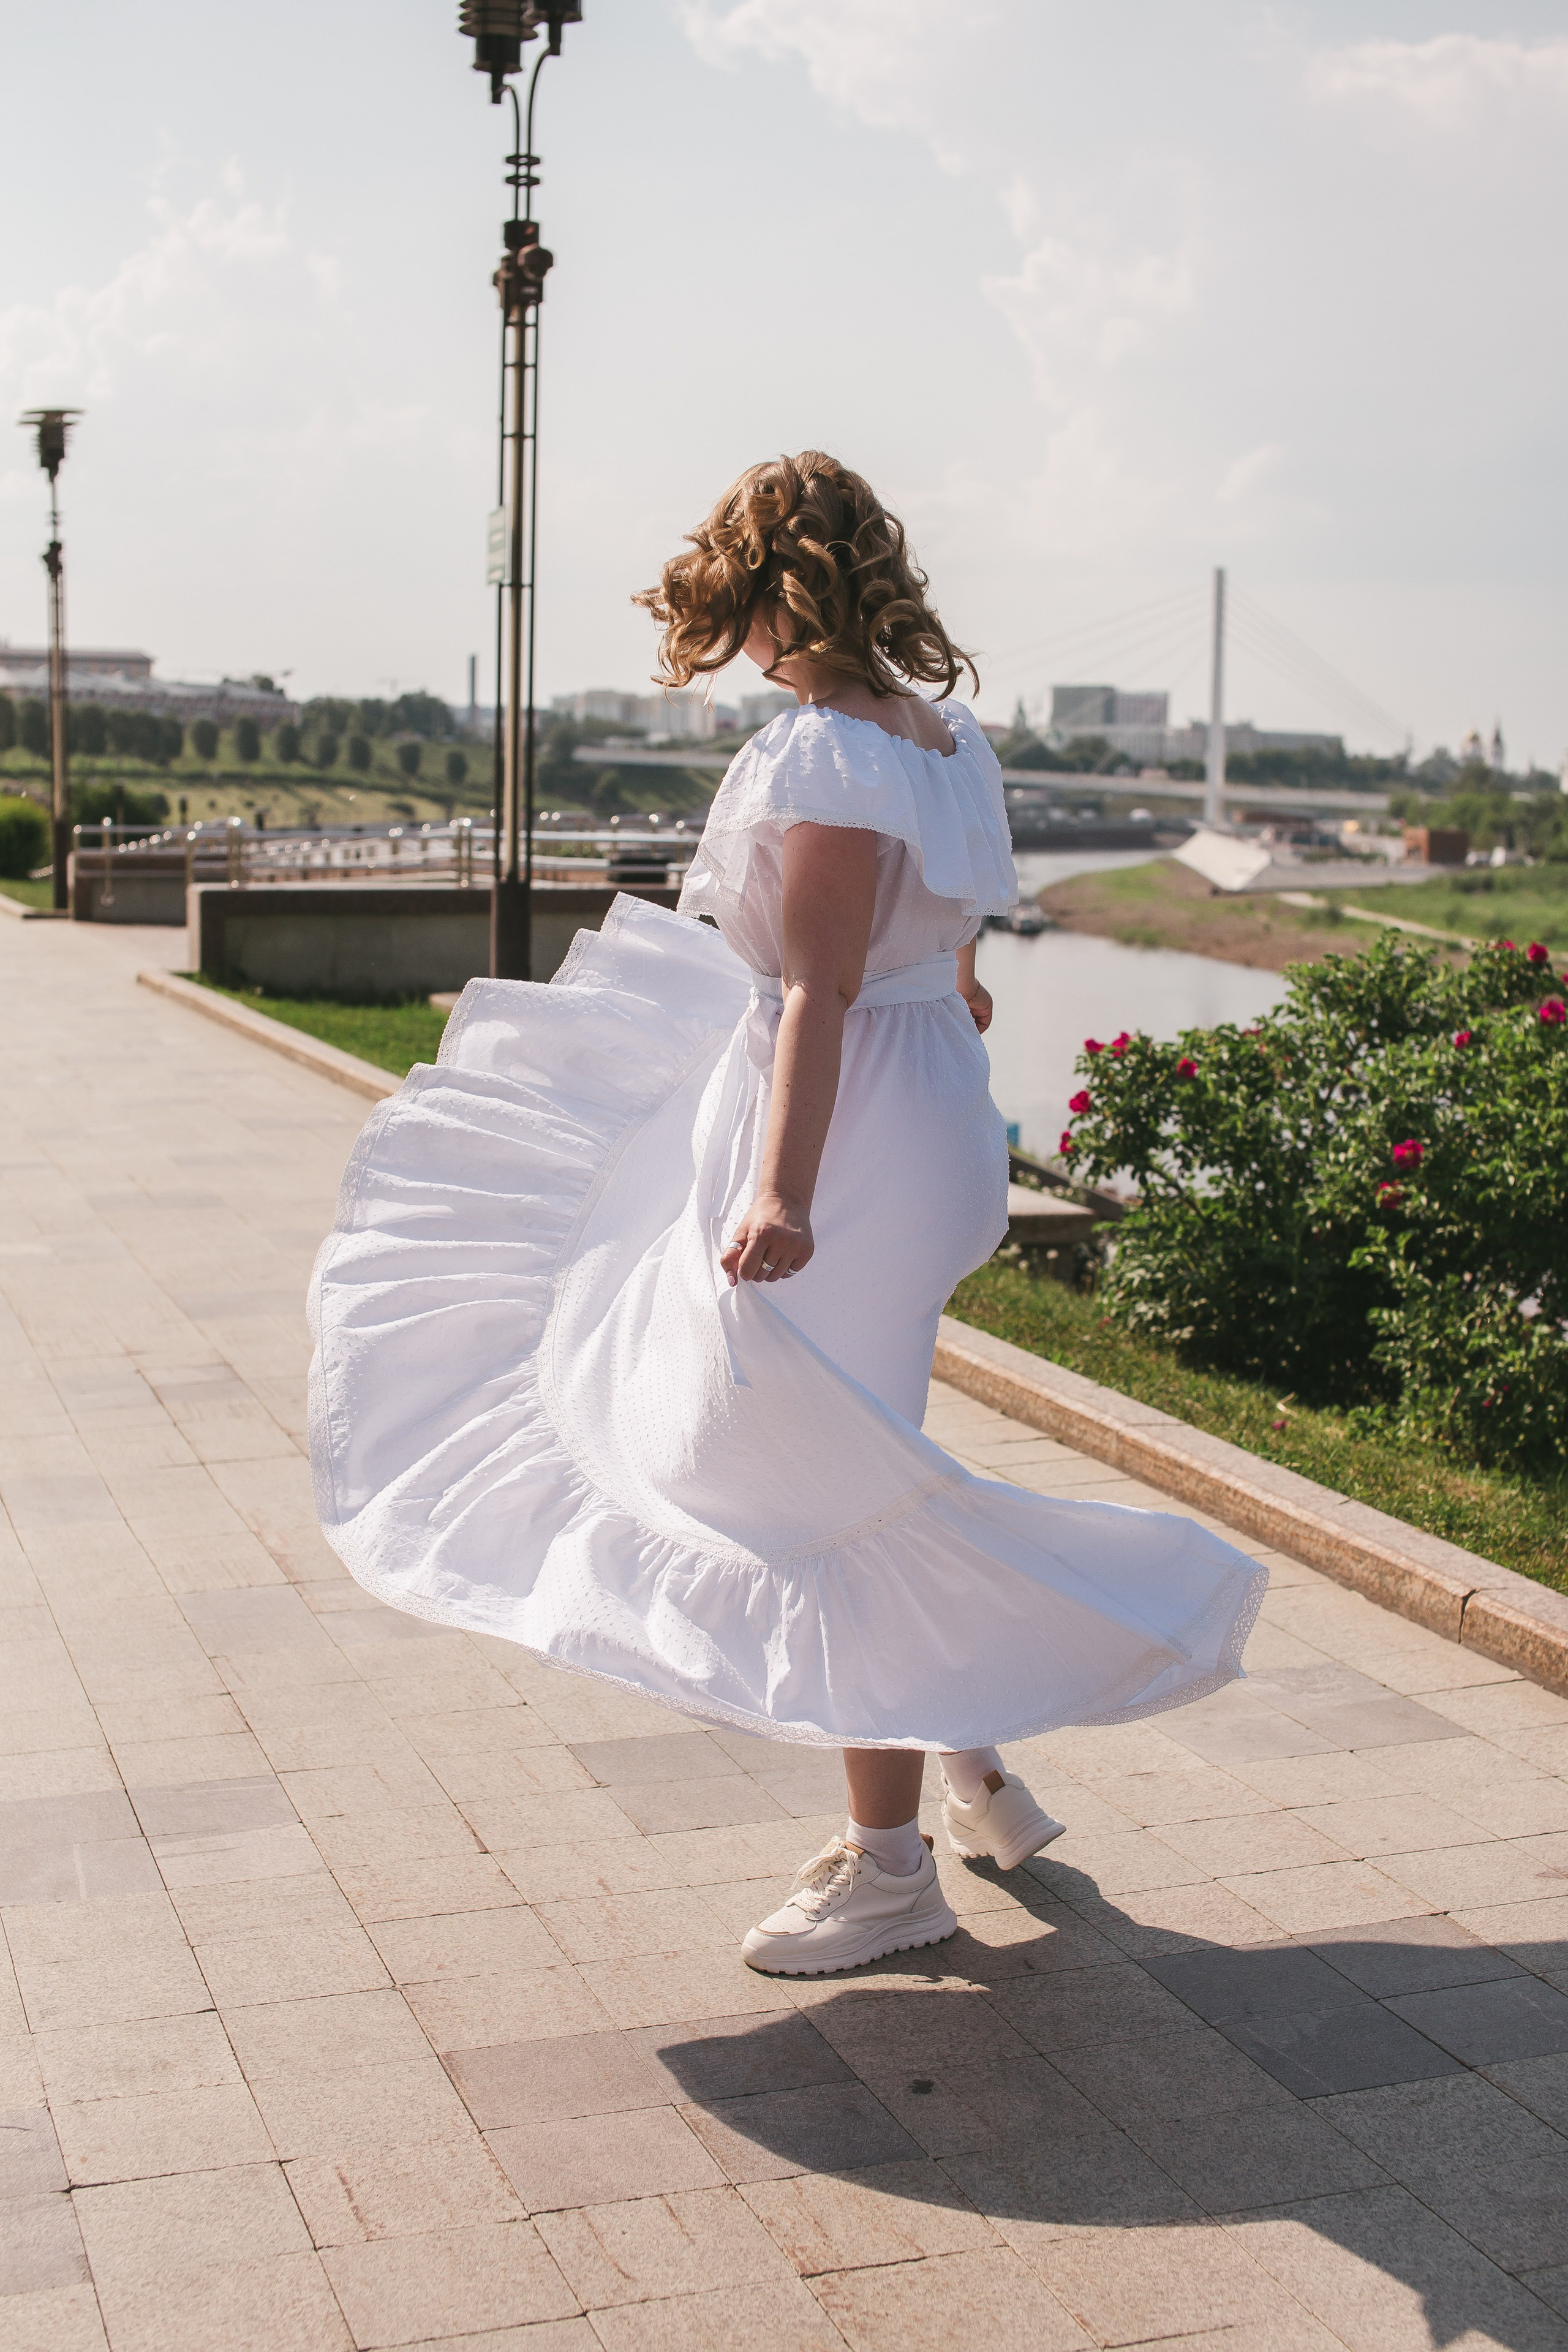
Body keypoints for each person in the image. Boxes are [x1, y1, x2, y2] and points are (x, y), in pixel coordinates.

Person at [307, 453, 1265, 1978]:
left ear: (771, 594)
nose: (732, 637)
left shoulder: (826, 751)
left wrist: (778, 1189)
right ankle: (974, 1774)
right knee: (850, 1456)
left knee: (814, 1491)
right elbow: (948, 953)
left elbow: (815, 984)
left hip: (844, 1135)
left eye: (733, 604)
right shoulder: (946, 738)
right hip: (927, 1106)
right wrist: (927, 1012)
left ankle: (889, 1873)